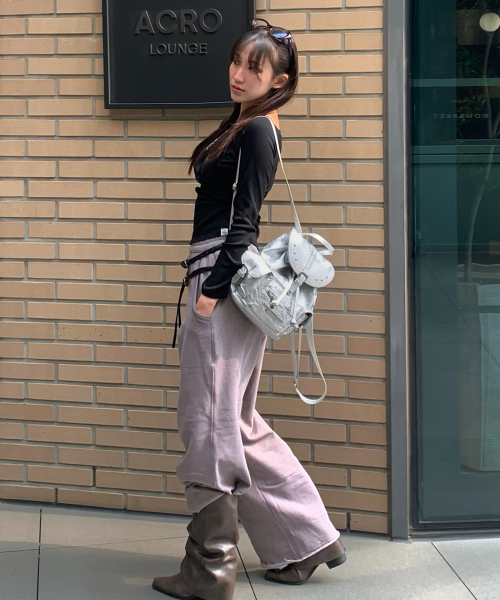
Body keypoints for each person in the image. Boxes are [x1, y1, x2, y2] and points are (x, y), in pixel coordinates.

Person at [152, 18, 346, 600]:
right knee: (234, 422)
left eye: (253, 68)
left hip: (221, 280)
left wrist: (208, 294)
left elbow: (244, 224)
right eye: (236, 62)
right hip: (220, 277)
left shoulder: (259, 129)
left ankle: (209, 570)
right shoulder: (244, 122)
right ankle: (307, 541)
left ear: (279, 80)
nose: (238, 74)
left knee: (208, 424)